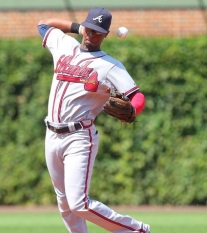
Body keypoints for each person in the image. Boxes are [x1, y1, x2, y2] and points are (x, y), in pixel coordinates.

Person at [37, 7, 150, 233]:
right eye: (89, 29)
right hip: (51, 134)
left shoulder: (110, 65)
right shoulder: (64, 45)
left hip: (79, 137)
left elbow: (137, 96)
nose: (92, 35)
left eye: (98, 32)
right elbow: (43, 25)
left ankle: (136, 230)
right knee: (65, 203)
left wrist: (134, 111)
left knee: (79, 203)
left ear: (106, 35)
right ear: (84, 27)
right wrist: (77, 28)